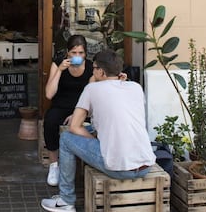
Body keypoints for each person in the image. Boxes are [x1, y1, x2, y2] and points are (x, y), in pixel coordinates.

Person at [41, 49, 156, 212]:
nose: (92, 70)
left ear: (101, 71)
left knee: (66, 138)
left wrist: (94, 141)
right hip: (146, 165)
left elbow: (75, 126)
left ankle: (66, 200)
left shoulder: (91, 89)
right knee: (98, 126)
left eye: (94, 68)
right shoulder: (135, 87)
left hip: (119, 168)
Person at [44, 34, 95, 186]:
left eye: (81, 53)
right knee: (50, 122)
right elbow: (49, 94)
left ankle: (87, 163)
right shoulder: (58, 63)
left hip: (82, 108)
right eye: (74, 53)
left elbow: (91, 96)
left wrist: (77, 114)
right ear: (67, 53)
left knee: (92, 125)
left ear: (85, 54)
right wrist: (60, 71)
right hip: (60, 106)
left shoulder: (91, 68)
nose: (77, 56)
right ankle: (54, 166)